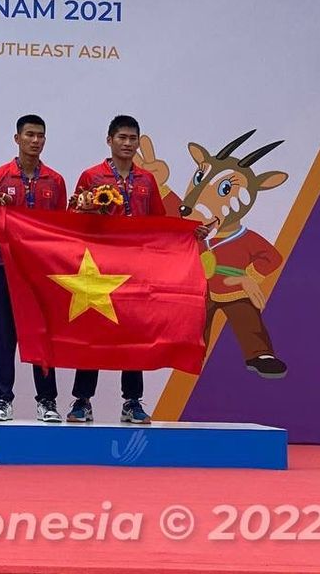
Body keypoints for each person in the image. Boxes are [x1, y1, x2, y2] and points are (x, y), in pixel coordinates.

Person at [67, 114, 210, 424]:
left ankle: (132, 402)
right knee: (94, 330)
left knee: (135, 330)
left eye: (133, 139)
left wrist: (189, 233)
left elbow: (159, 223)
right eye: (122, 138)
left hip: (136, 268)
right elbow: (71, 216)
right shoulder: (91, 176)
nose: (128, 143)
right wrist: (85, 208)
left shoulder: (146, 180)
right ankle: (82, 400)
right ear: (109, 140)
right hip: (99, 266)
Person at [0, 114, 66, 422]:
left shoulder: (55, 180)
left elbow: (62, 227)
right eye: (29, 135)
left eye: (40, 135)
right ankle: (2, 400)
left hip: (42, 271)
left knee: (42, 334)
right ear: (17, 138)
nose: (35, 140)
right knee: (4, 334)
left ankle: (47, 401)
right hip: (5, 267)